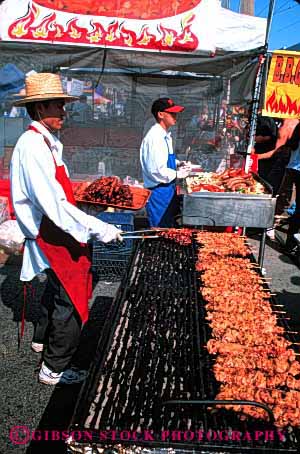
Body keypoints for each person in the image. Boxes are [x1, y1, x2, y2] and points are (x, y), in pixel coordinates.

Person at [10, 73, 122, 385]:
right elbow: (54, 206)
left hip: (57, 228)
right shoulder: (32, 145)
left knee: (55, 288)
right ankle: (54, 368)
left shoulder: (47, 141)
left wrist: (86, 205)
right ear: (39, 108)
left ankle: (42, 341)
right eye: (57, 105)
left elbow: (60, 194)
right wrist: (100, 228)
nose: (63, 111)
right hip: (52, 231)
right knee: (71, 298)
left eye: (62, 105)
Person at [140, 97, 190, 227]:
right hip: (158, 192)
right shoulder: (155, 137)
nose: (175, 116)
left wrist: (177, 163)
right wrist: (177, 174)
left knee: (168, 229)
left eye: (175, 113)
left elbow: (163, 159)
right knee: (160, 232)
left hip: (167, 190)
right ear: (160, 114)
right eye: (171, 113)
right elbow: (156, 170)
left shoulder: (164, 135)